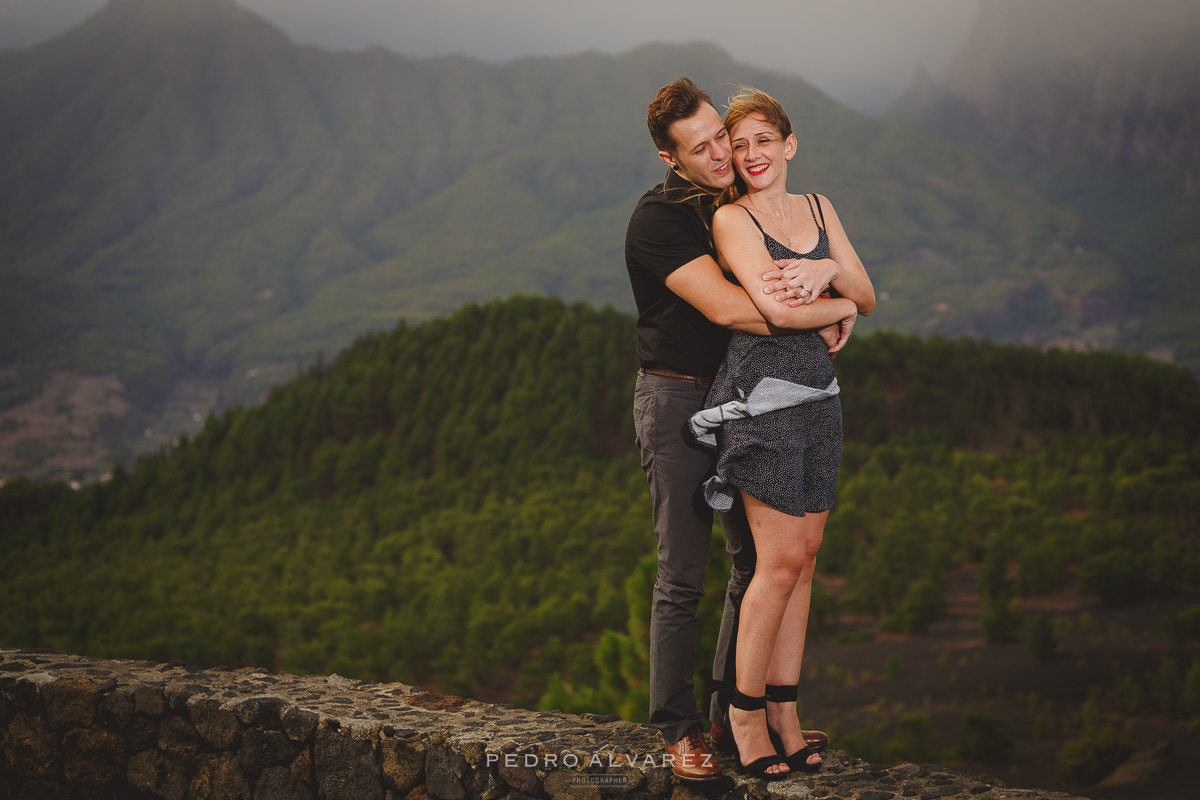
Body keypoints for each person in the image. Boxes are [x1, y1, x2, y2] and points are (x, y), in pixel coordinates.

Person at [625, 77, 857, 781]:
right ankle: (679, 729)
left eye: (719, 136)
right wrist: (832, 309)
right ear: (671, 158)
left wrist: (826, 291)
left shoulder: (734, 199)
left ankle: (739, 711)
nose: (720, 152)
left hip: (747, 399)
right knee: (682, 573)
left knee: (756, 565)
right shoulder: (660, 221)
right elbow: (734, 310)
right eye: (699, 148)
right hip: (676, 403)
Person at [689, 87, 875, 778]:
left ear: (789, 145)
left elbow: (872, 292)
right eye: (739, 146)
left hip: (821, 396)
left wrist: (832, 275)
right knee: (778, 563)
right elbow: (769, 308)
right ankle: (742, 717)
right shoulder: (732, 219)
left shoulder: (820, 208)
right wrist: (842, 303)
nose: (750, 154)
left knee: (809, 556)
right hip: (762, 399)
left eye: (763, 139)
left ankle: (785, 711)